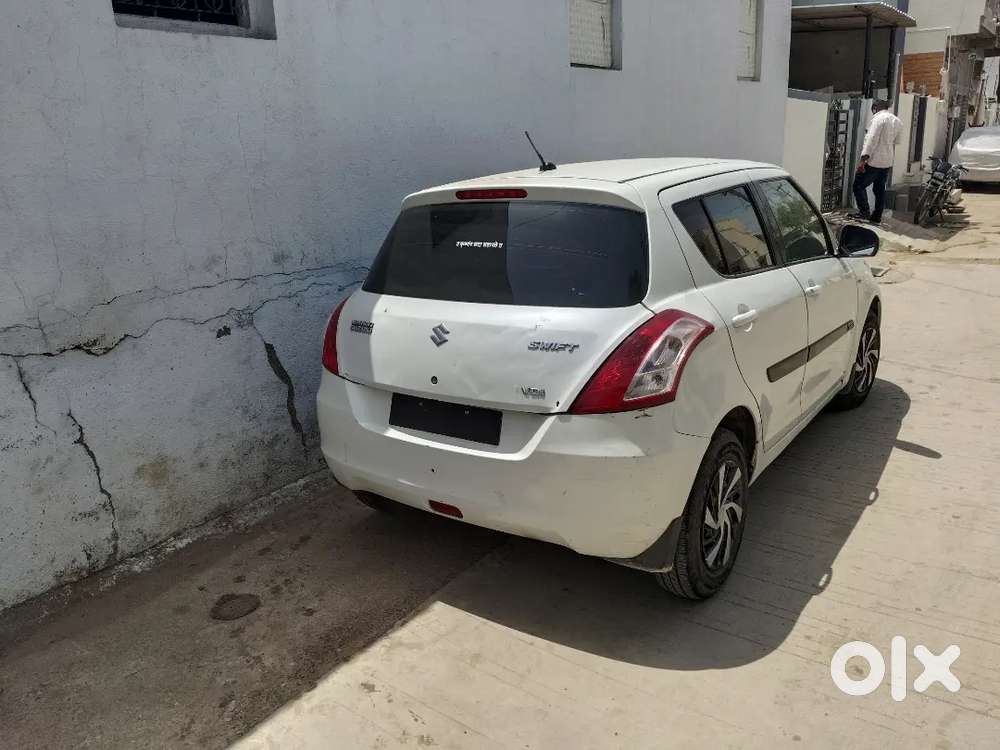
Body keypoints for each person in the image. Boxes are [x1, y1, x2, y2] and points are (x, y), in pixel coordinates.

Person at [850, 100, 903, 225]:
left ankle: (864, 212)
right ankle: (876, 216)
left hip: (873, 161)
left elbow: (871, 140)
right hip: (887, 162)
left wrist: (863, 161)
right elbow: (897, 141)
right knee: (879, 190)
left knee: (858, 186)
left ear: (875, 108)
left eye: (873, 109)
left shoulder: (878, 119)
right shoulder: (897, 121)